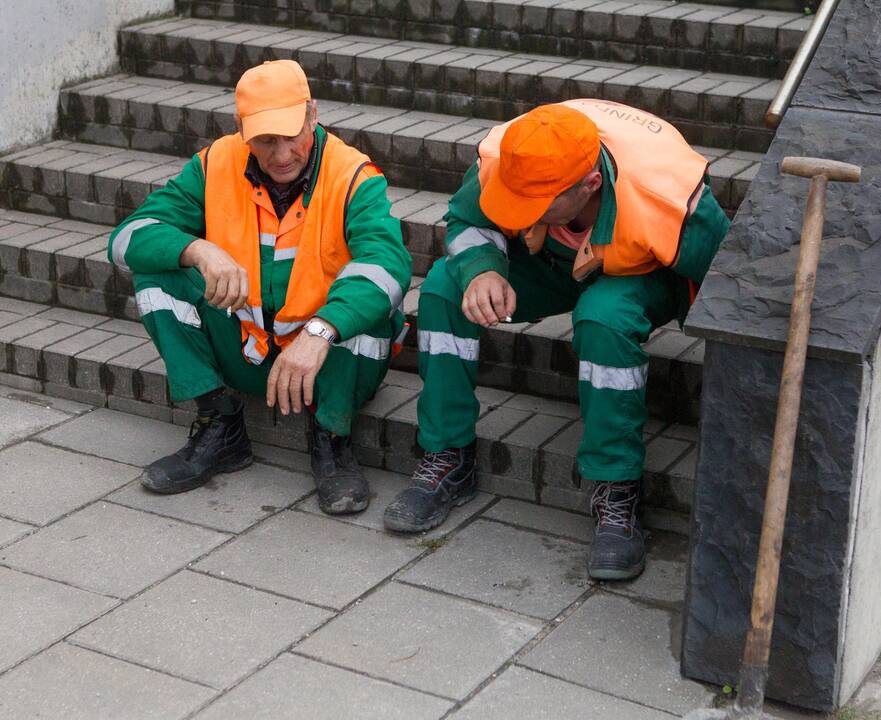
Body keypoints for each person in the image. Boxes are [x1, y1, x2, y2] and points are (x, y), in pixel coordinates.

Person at [383, 99, 730, 580]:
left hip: (638, 272)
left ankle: (617, 489)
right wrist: (482, 270)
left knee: (604, 316)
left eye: (534, 202)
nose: (517, 209)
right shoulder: (513, 155)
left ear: (589, 184)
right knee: (444, 286)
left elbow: (727, 287)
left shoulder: (670, 199)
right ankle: (448, 455)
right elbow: (468, 221)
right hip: (552, 262)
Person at [108, 60, 410, 515]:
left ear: (313, 114)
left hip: (329, 362)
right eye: (266, 140)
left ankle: (332, 438)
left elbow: (387, 266)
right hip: (249, 351)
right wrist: (196, 249)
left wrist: (322, 330)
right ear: (241, 128)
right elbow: (126, 239)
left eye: (292, 134)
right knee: (158, 271)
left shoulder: (353, 177)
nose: (282, 153)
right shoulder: (214, 163)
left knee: (371, 304)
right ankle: (221, 424)